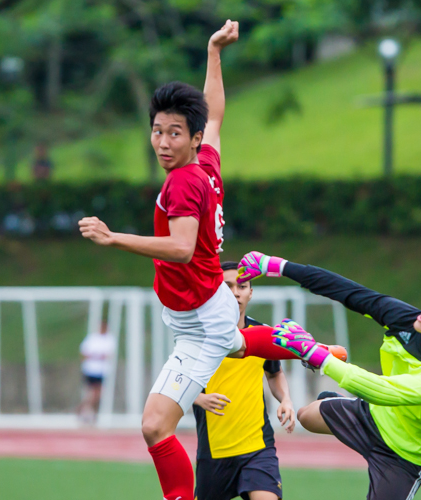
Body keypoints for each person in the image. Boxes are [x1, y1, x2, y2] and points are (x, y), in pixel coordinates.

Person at [78, 21, 317, 500]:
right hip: (200, 315)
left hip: (200, 321)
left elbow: (182, 248)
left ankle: (310, 350)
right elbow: (217, 114)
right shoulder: (206, 163)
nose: (163, 142)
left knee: (156, 426)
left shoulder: (183, 182)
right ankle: (310, 349)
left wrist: (113, 238)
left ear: (192, 137)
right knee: (232, 347)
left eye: (174, 133)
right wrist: (214, 52)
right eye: (157, 131)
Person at [238, 251, 421, 500]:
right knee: (306, 417)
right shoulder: (406, 319)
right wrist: (277, 265)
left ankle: (347, 406)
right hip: (376, 415)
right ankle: (342, 404)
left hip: (407, 454)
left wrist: (316, 355)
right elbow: (346, 291)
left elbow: (384, 391)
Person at [193, 261, 296, 500]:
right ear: (215, 292)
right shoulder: (199, 337)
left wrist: (286, 400)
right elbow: (175, 383)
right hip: (215, 452)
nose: (235, 292)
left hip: (257, 447)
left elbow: (274, 373)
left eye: (242, 286)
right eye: (227, 286)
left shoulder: (263, 333)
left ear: (250, 292)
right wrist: (199, 398)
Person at [76, 322, 115, 423]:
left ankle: (85, 409)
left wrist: (94, 356)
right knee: (92, 393)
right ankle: (87, 411)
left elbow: (107, 355)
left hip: (102, 370)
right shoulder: (92, 338)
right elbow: (84, 353)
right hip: (90, 369)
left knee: (97, 394)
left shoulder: (109, 339)